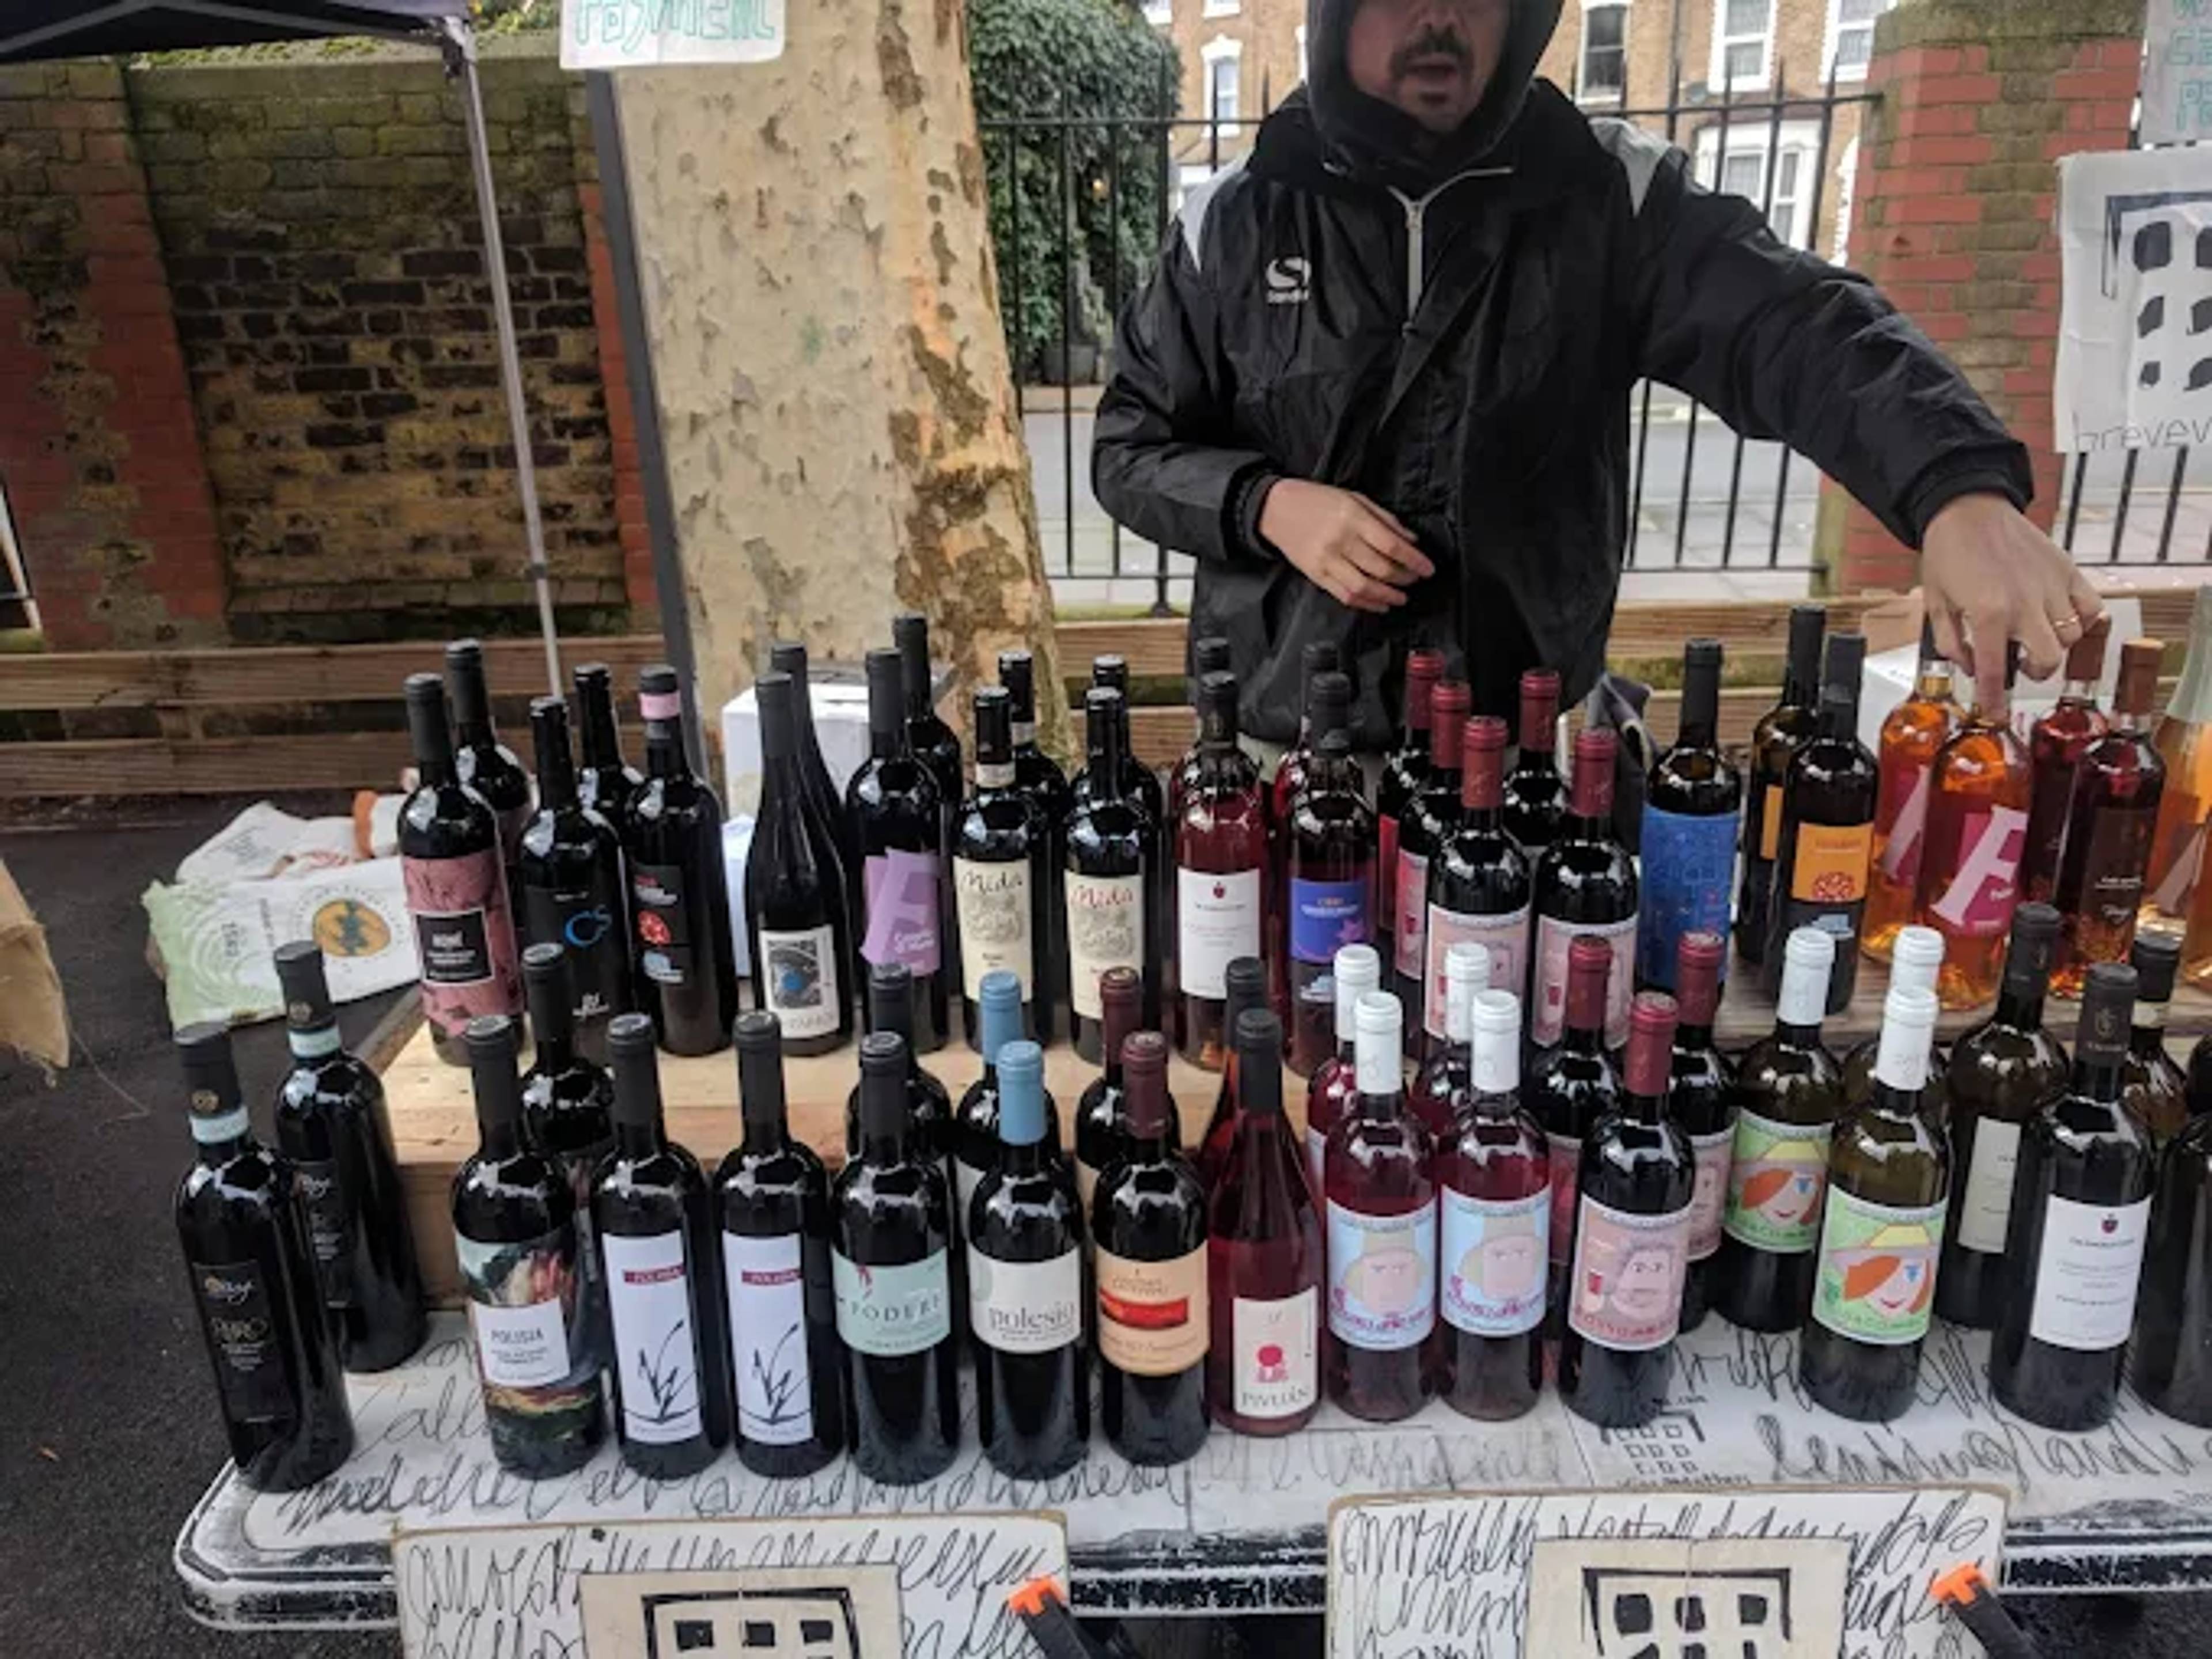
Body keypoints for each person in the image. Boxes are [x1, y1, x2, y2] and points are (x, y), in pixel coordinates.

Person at [1090, 0, 2102, 744]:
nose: (1439, 21)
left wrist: (1953, 487)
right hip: (1285, 741)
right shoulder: (1231, 219)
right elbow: (1130, 445)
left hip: (1523, 744)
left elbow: (1798, 327)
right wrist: (1269, 505)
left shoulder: (1612, 197)